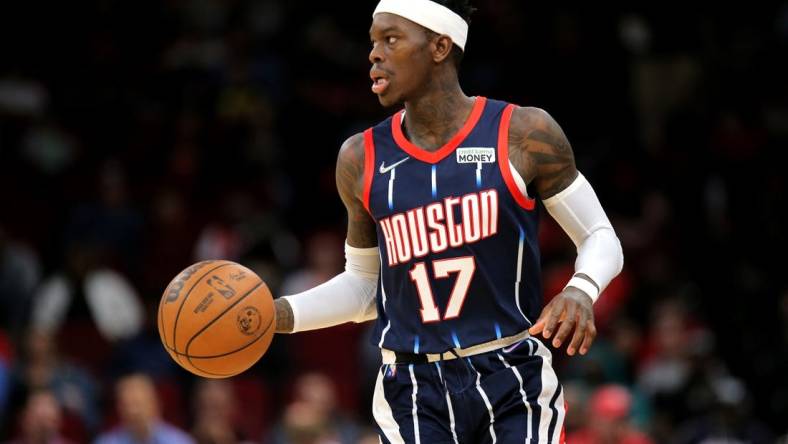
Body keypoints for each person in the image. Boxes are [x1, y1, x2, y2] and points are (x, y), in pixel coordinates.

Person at [274, 0, 624, 442]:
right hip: (413, 387)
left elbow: (600, 235)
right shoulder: (360, 157)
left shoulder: (523, 133)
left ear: (440, 47)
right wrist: (276, 315)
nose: (374, 54)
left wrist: (581, 289)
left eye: (391, 39)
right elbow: (367, 288)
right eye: (373, 42)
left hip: (511, 372)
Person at [93, 374, 193, 444]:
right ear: (119, 408)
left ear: (155, 403)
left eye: (138, 403)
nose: (133, 411)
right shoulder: (105, 442)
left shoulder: (180, 441)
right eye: (127, 404)